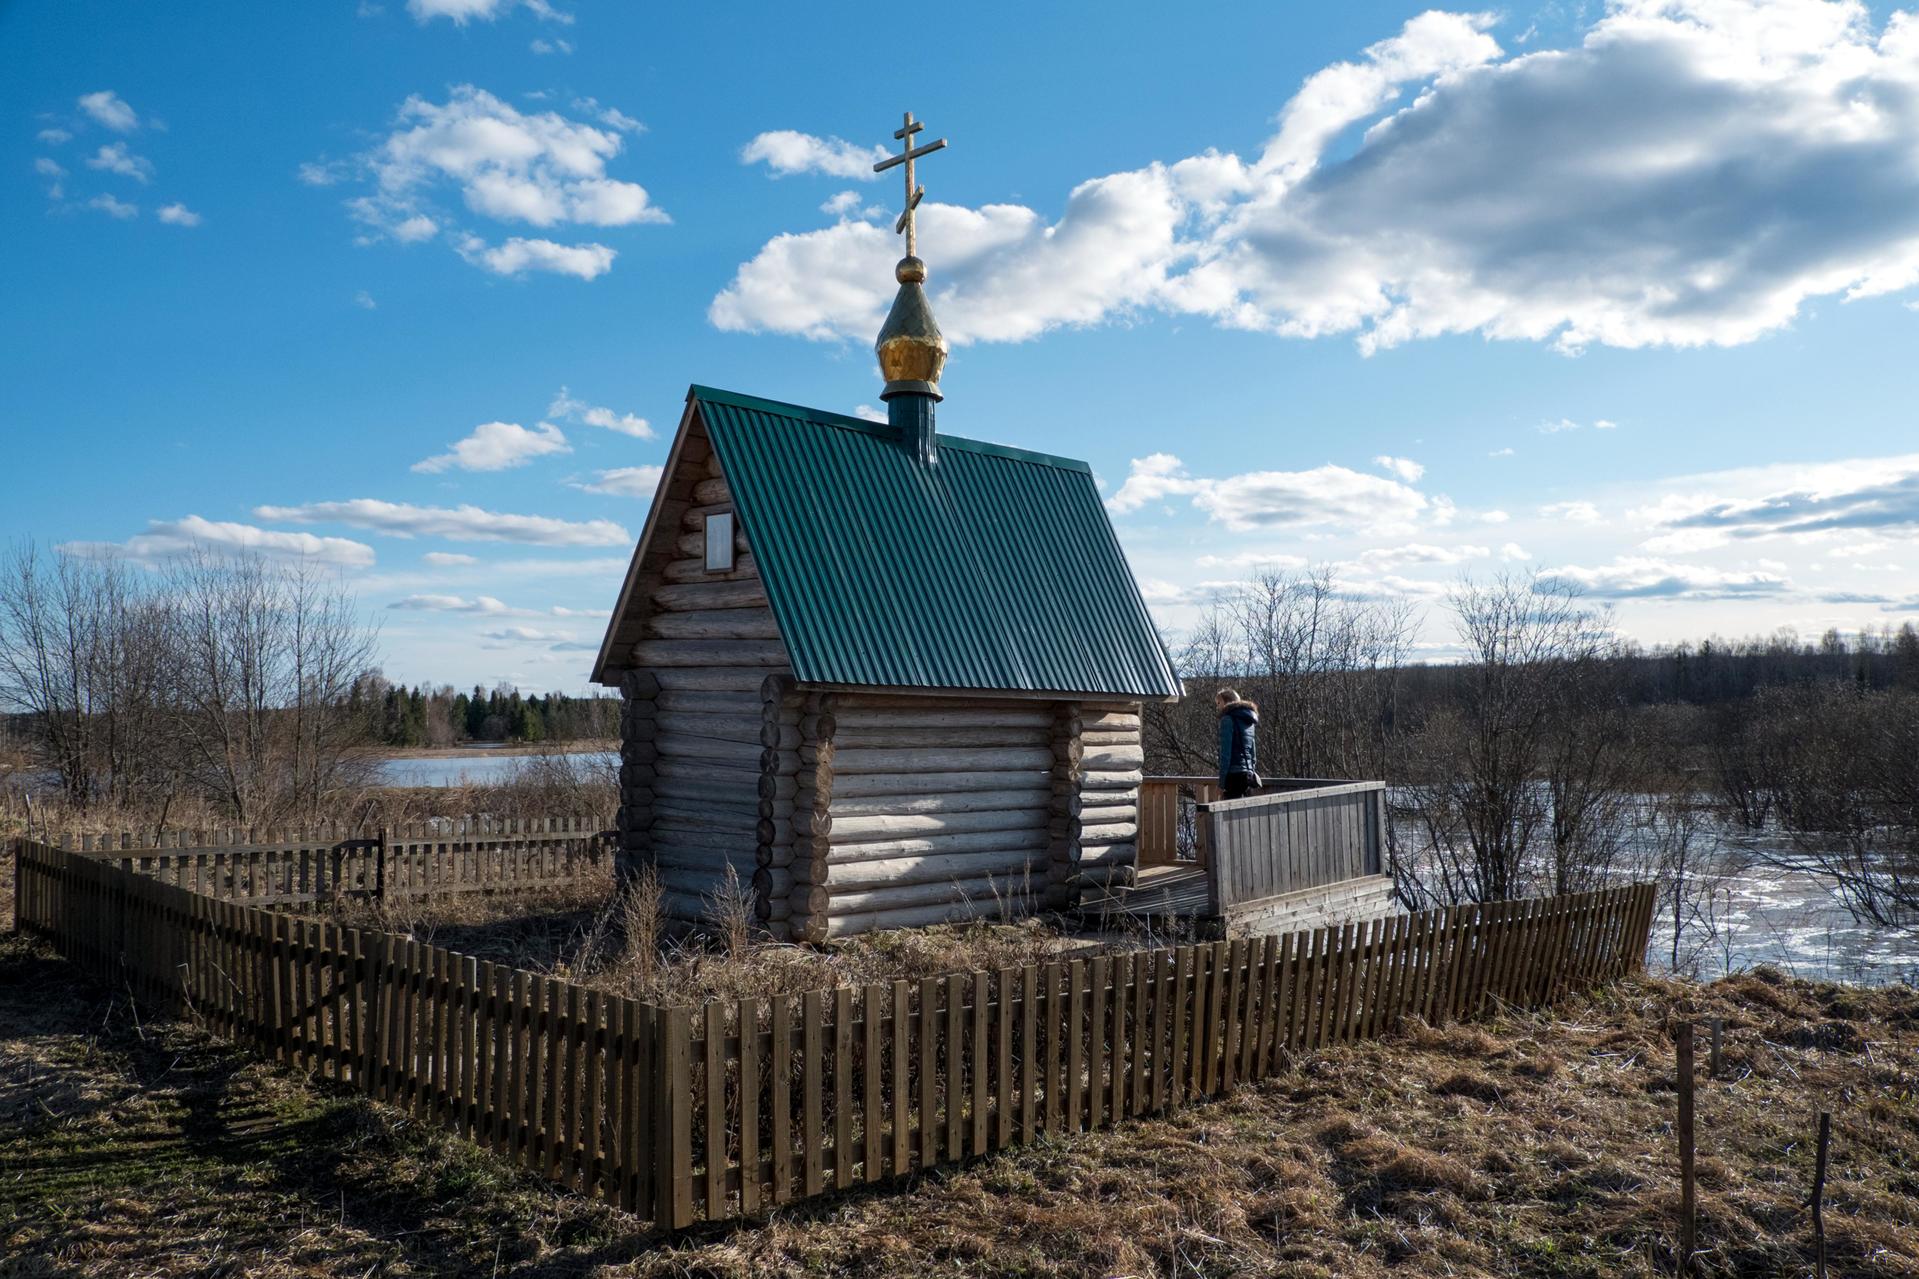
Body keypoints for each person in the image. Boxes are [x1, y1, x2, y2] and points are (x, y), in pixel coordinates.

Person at [1215, 688, 1261, 799]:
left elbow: (1226, 754)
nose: (1218, 707)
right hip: (1247, 776)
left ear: (1227, 702)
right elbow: (1252, 753)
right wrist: (1250, 770)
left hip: (1233, 775)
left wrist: (1222, 783)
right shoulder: (1249, 720)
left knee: (1229, 813)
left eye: (1219, 703)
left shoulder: (1227, 719)